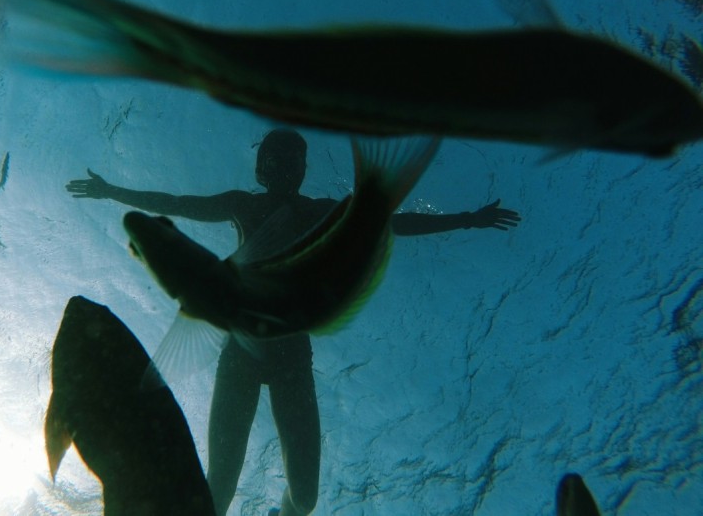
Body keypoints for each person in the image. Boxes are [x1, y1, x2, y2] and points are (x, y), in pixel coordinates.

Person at [66, 129, 520, 516]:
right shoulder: (243, 204)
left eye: (294, 158)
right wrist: (112, 191)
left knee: (304, 498)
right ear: (262, 167)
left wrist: (468, 219)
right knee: (218, 489)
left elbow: (386, 223)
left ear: (302, 168)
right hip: (241, 353)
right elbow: (177, 204)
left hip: (291, 355)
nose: (286, 165)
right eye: (277, 158)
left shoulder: (318, 211)